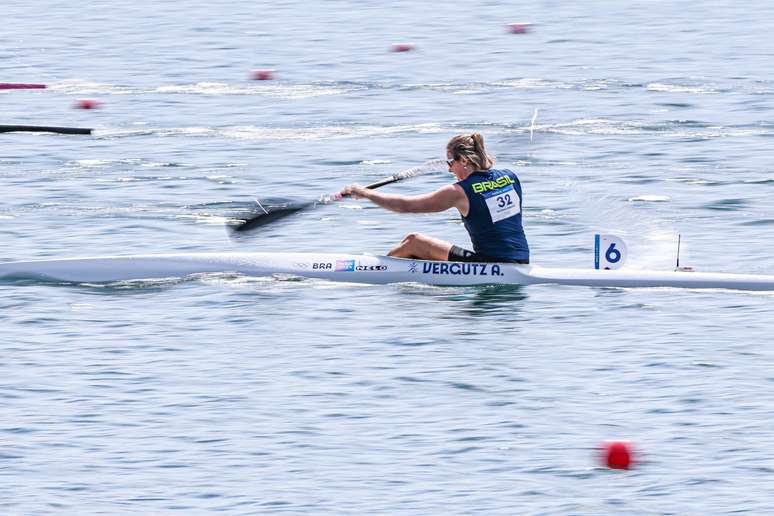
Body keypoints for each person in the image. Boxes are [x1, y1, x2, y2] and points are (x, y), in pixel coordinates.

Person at [341, 133, 529, 263]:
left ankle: (378, 271)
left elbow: (406, 206)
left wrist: (366, 193)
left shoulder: (458, 192)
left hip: (491, 265)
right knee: (412, 241)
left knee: (413, 241)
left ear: (464, 160)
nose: (449, 169)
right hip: (521, 260)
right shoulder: (509, 176)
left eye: (450, 162)